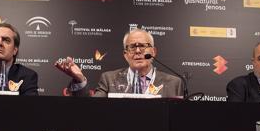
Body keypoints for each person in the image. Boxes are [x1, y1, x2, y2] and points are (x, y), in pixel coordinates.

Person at [55, 28, 183, 97]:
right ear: (125, 54)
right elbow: (92, 109)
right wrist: (80, 79)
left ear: (153, 51)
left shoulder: (173, 83)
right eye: (132, 47)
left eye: (143, 46)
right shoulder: (109, 79)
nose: (138, 51)